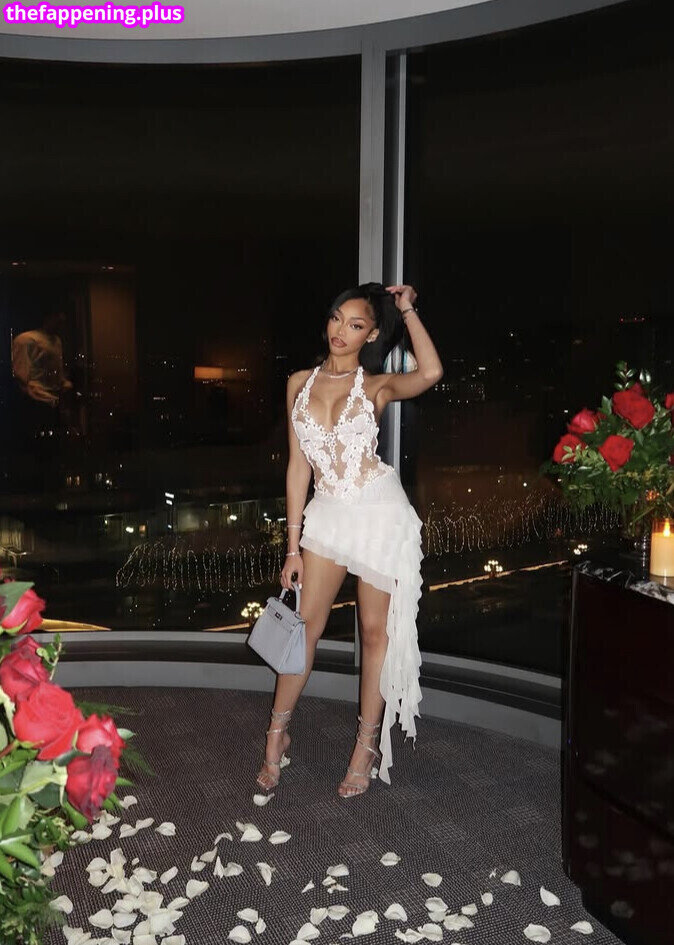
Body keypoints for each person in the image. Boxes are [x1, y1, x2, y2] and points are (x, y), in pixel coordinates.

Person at [256, 282, 444, 798]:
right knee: (305, 628)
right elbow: (298, 467)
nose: (341, 331)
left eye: (356, 324)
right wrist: (291, 547)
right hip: (327, 515)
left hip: (378, 514)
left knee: (374, 631)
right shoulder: (299, 382)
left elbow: (430, 373)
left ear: (372, 334)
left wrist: (408, 310)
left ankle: (365, 747)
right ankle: (276, 733)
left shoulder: (377, 385)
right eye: (337, 318)